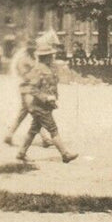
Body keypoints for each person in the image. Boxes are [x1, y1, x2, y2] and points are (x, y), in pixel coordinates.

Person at [17, 34, 78, 163]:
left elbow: (54, 82)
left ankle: (21, 153)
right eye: (51, 55)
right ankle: (65, 154)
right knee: (53, 129)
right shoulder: (38, 70)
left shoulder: (48, 68)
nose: (53, 57)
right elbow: (33, 89)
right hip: (40, 106)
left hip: (45, 106)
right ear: (45, 57)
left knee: (34, 129)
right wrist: (46, 97)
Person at [3, 38, 38, 146]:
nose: (34, 50)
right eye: (32, 48)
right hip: (26, 88)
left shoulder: (34, 58)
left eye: (35, 47)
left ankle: (8, 135)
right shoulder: (23, 60)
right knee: (36, 112)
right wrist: (37, 76)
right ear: (28, 49)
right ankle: (46, 138)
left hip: (32, 88)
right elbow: (25, 75)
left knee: (23, 114)